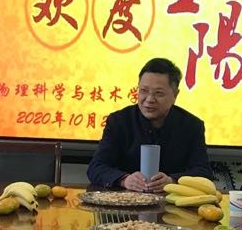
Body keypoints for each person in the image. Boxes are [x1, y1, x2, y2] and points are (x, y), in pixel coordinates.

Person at [86, 57, 214, 190]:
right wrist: (124, 179)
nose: (149, 99)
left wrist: (172, 181)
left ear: (175, 95)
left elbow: (203, 172)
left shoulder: (191, 126)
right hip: (125, 199)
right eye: (144, 91)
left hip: (172, 200)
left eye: (159, 93)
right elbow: (96, 167)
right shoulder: (119, 121)